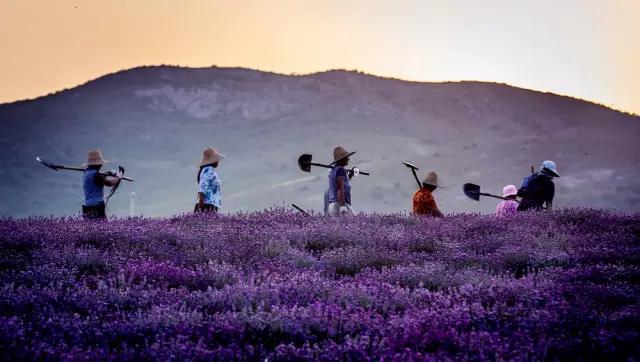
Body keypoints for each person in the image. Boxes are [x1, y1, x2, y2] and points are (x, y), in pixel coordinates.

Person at [82, 149, 123, 220]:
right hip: (97, 206)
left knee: (90, 228)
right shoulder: (96, 175)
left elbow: (98, 178)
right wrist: (119, 176)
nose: (101, 165)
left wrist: (108, 173)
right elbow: (110, 183)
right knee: (102, 227)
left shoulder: (86, 173)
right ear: (98, 164)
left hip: (87, 205)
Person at [327, 146, 356, 217]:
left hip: (333, 205)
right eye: (346, 157)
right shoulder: (341, 170)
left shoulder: (334, 170)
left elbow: (343, 184)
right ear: (342, 159)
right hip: (339, 204)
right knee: (355, 223)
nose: (348, 159)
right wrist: (342, 206)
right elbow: (340, 188)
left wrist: (350, 175)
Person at [195, 147, 223, 213]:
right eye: (216, 159)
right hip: (206, 205)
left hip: (209, 204)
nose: (218, 161)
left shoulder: (209, 170)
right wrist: (200, 209)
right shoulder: (208, 170)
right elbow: (202, 188)